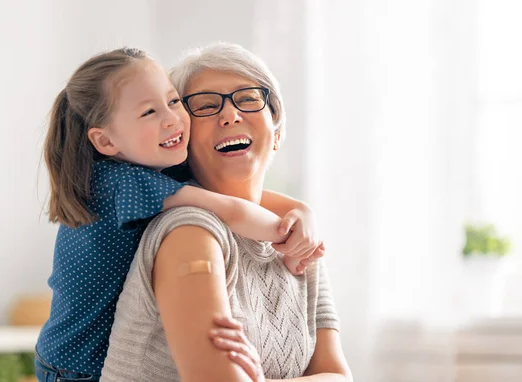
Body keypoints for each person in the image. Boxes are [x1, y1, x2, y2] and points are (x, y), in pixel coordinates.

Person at [34, 47, 325, 382]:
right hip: (73, 366)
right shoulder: (125, 183)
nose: (171, 118)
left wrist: (301, 211)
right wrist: (286, 234)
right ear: (106, 141)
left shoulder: (151, 167)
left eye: (173, 102)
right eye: (148, 112)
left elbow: (238, 197)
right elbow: (226, 206)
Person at [100, 43, 353, 381]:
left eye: (248, 99)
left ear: (276, 132)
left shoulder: (300, 241)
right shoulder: (190, 232)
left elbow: (338, 375)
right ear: (181, 140)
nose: (231, 115)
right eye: (205, 107)